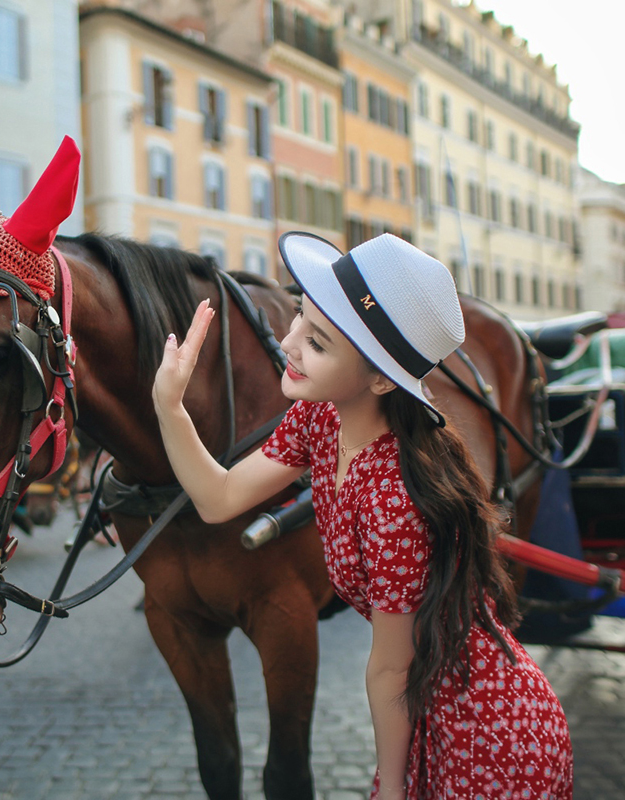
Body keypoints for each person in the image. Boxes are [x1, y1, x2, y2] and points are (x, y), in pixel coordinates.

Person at [152, 231, 573, 799]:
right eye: (300, 315)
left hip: (489, 731)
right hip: (425, 711)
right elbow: (219, 497)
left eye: (319, 343)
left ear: (380, 379)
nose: (289, 344)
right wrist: (170, 406)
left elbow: (390, 670)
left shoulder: (394, 499)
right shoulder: (321, 419)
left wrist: (393, 792)